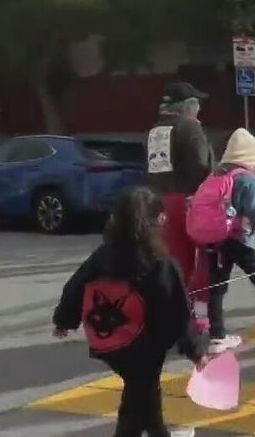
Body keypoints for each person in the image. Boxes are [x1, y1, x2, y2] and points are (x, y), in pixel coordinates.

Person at [52, 187, 206, 437]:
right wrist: (195, 351)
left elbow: (76, 286)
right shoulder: (161, 263)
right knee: (145, 396)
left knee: (139, 393)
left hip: (112, 343)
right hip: (147, 344)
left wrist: (64, 321)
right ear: (158, 221)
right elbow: (179, 312)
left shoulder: (104, 255)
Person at [203, 128, 255, 353]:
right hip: (241, 239)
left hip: (214, 238)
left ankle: (217, 336)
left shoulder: (216, 174)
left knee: (217, 286)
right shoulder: (248, 179)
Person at [146, 82, 214, 303]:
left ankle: (176, 310)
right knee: (205, 260)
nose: (198, 108)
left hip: (161, 201)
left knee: (175, 260)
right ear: (187, 106)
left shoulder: (156, 130)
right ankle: (202, 314)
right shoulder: (189, 127)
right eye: (196, 103)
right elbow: (202, 165)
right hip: (189, 201)